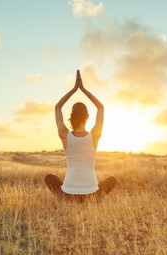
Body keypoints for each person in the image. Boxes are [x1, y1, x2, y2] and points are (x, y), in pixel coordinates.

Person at [45, 69, 116, 202]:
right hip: (91, 193)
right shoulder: (94, 135)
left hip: (68, 194)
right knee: (111, 180)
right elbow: (100, 107)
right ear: (87, 117)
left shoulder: (64, 134)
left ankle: (67, 195)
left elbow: (57, 107)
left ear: (71, 118)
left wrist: (74, 89)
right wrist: (82, 89)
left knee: (49, 178)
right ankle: (94, 196)